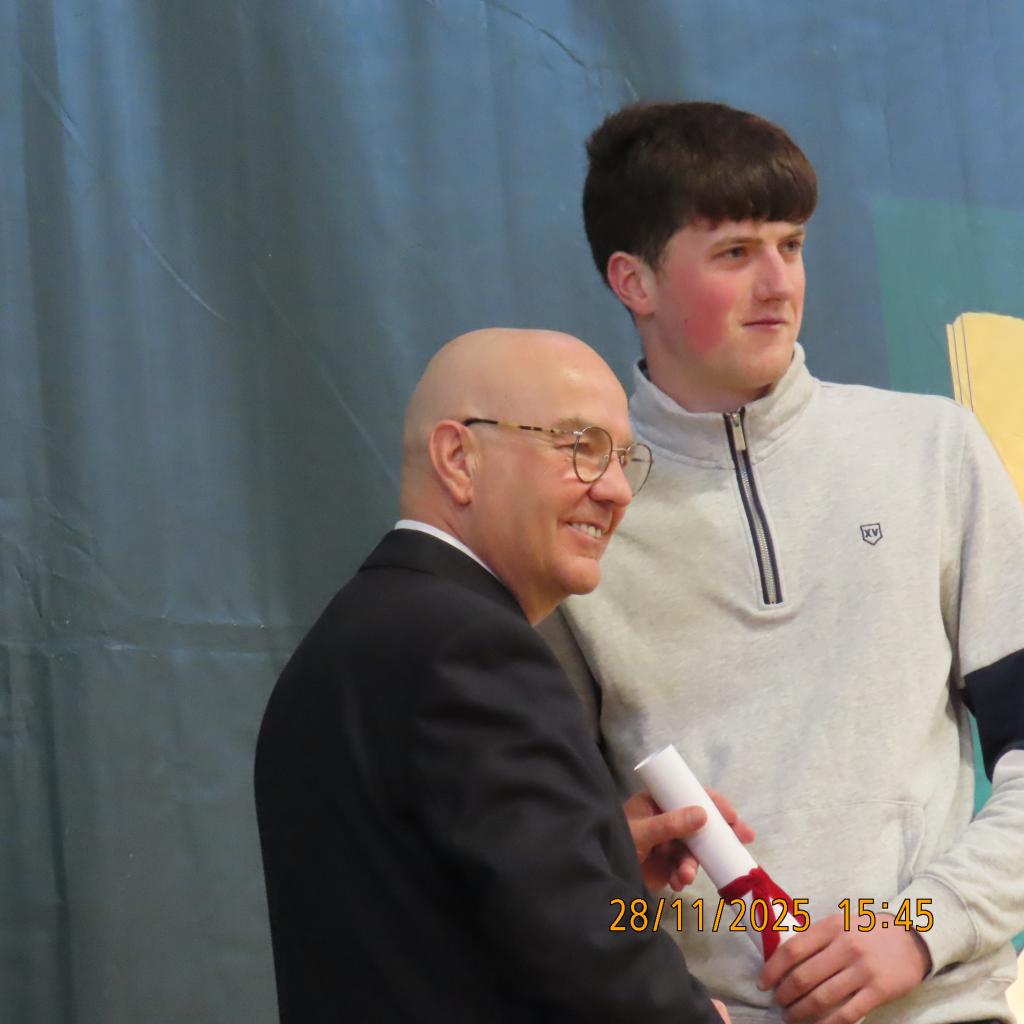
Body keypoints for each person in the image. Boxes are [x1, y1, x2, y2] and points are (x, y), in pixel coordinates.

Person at [542, 101, 1024, 1024]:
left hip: (946, 1003)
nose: (778, 285)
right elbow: (552, 848)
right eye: (734, 253)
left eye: (791, 245)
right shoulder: (580, 507)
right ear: (633, 280)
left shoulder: (931, 448)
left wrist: (919, 928)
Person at [254, 328, 741, 1022]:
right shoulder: (473, 648)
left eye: (625, 459)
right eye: (580, 446)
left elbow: (431, 910)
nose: (615, 490)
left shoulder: (353, 639)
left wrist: (599, 853)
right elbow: (586, 958)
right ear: (459, 459)